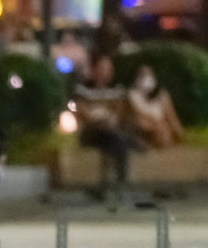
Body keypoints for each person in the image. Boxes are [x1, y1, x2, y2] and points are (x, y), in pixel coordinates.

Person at [74, 53, 135, 199]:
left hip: (110, 132)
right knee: (117, 139)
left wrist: (106, 119)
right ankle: (119, 182)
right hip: (91, 133)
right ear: (94, 69)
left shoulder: (117, 90)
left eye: (108, 68)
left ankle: (108, 185)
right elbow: (84, 113)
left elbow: (118, 113)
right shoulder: (83, 90)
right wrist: (100, 119)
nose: (104, 72)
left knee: (113, 140)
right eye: (101, 68)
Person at [128, 65, 183, 149]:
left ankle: (177, 133)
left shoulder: (161, 94)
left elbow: (170, 113)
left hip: (159, 121)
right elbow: (138, 111)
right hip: (146, 121)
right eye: (142, 75)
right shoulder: (133, 94)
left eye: (149, 75)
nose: (146, 78)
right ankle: (164, 137)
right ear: (137, 78)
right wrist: (156, 121)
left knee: (164, 100)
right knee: (147, 123)